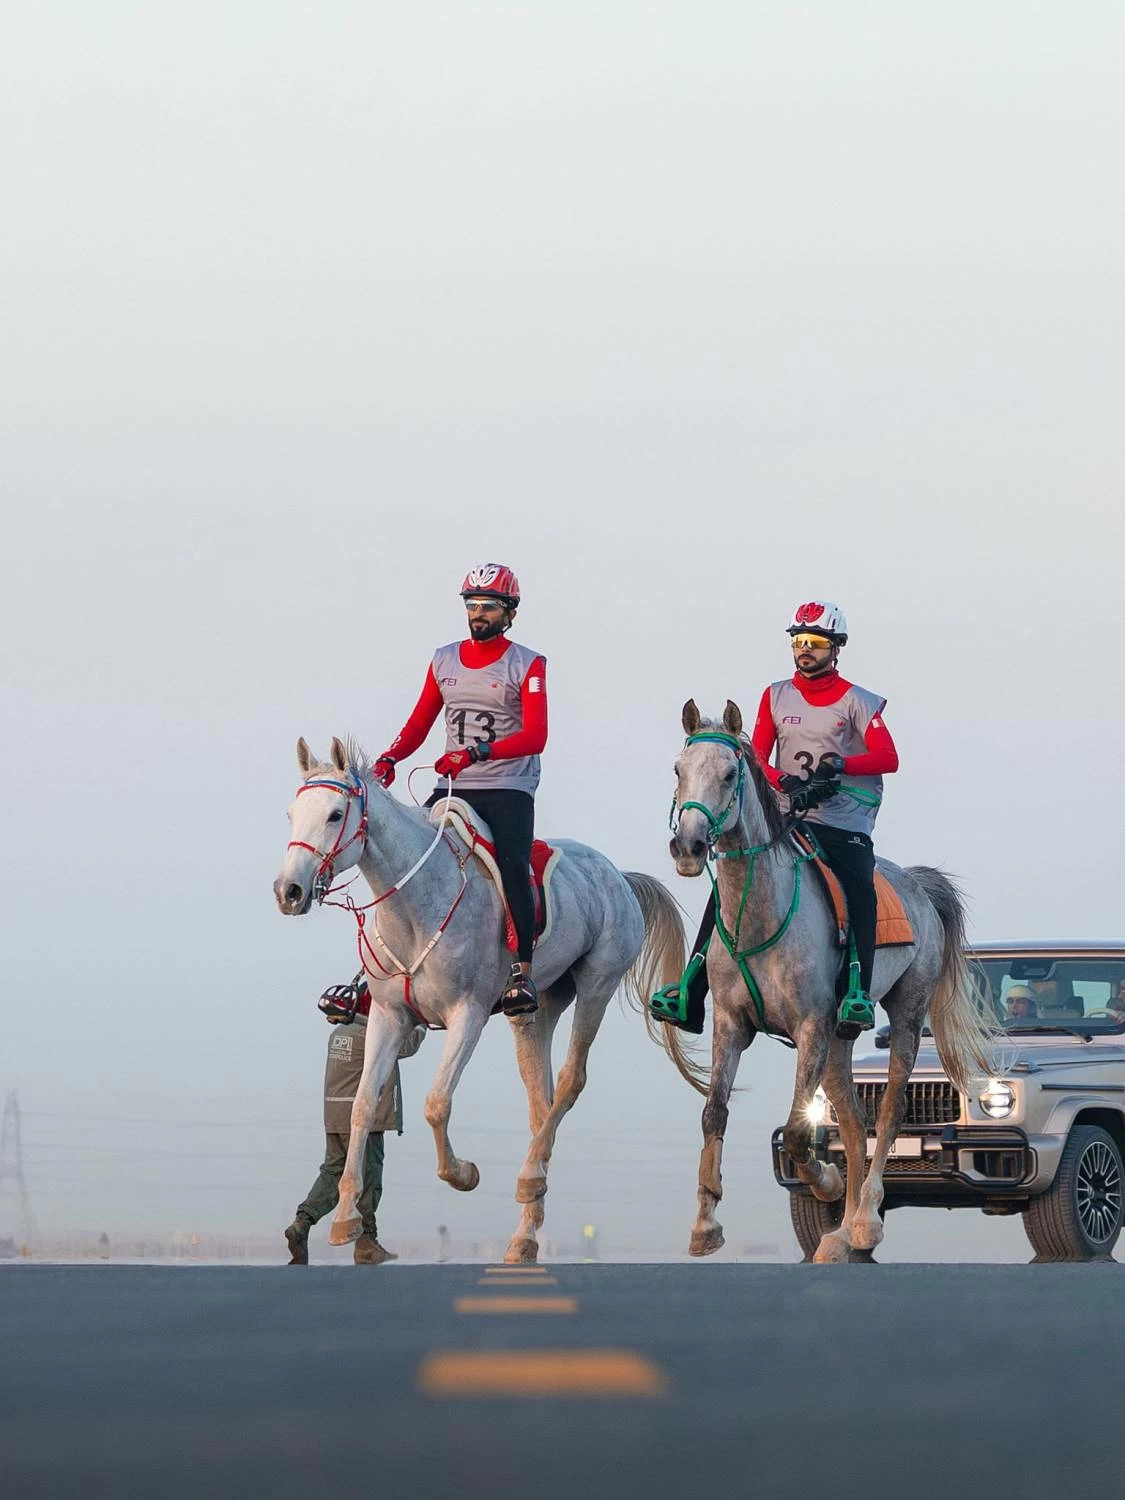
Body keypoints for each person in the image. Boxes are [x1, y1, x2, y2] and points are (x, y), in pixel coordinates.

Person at [652, 600, 899, 1039]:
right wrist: (781, 780)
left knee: (860, 886)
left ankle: (857, 991)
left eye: (816, 642)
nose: (805, 649)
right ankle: (690, 987)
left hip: (843, 818)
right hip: (789, 813)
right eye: (799, 641)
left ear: (836, 648)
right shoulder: (776, 695)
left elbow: (888, 757)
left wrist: (841, 765)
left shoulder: (857, 701)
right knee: (730, 883)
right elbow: (758, 755)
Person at [372, 563, 548, 1016]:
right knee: (403, 856)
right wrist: (391, 757)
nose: (478, 614)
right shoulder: (444, 660)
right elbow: (419, 721)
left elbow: (536, 736)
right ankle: (374, 974)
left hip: (507, 785)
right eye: (472, 605)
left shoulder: (528, 663)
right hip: (453, 783)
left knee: (512, 865)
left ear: (509, 612)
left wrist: (477, 753)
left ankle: (522, 970)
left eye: (488, 606)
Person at [284, 984, 425, 1265]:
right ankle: (366, 1243)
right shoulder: (371, 1036)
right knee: (369, 1178)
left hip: (334, 1116)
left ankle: (303, 1221)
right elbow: (406, 1046)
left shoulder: (339, 1033)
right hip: (364, 1121)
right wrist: (420, 1020)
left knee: (332, 1172)